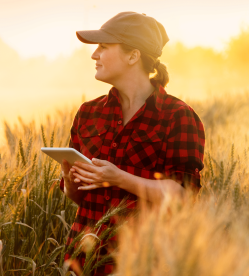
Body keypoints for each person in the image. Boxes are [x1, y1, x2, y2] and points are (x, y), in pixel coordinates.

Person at [59, 11, 205, 276]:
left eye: (103, 46)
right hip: (82, 261)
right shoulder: (88, 113)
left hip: (143, 263)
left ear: (132, 55)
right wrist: (70, 180)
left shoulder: (177, 116)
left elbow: (184, 196)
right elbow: (78, 197)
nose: (94, 55)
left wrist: (118, 178)